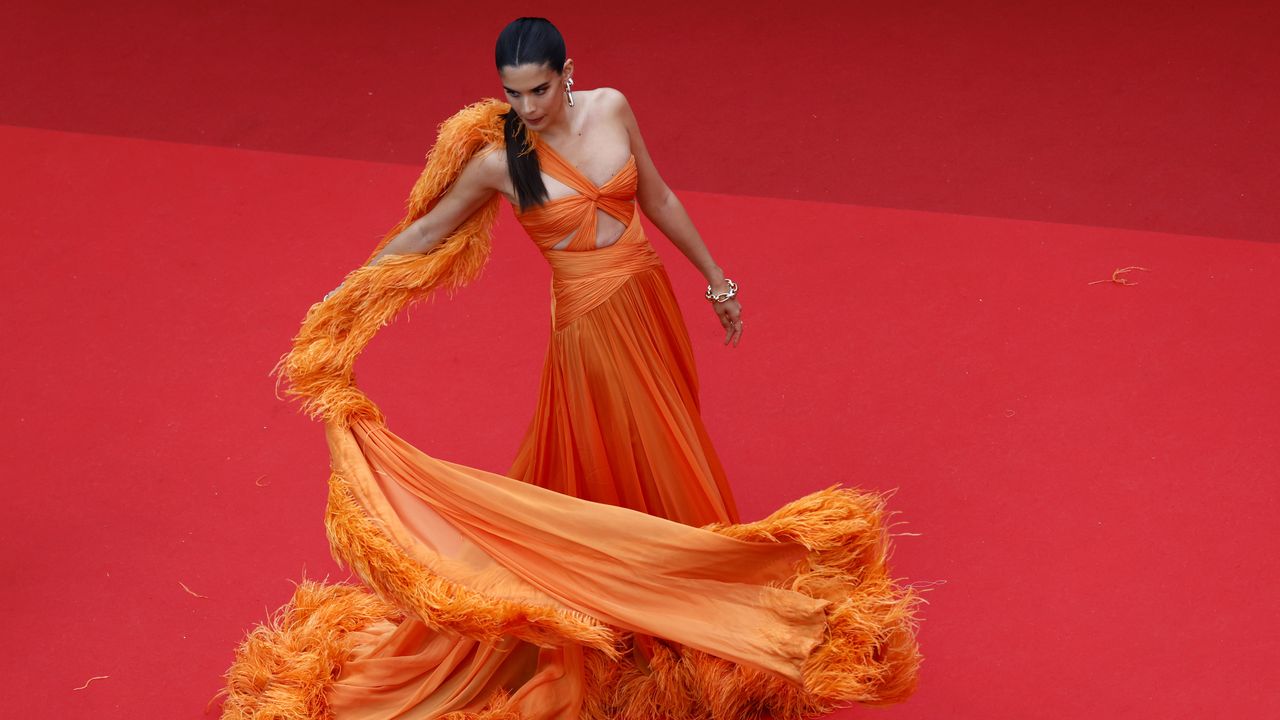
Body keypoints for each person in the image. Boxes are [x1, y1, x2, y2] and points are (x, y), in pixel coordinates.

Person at [214, 17, 921, 720]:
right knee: (640, 447)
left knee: (668, 438)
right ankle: (696, 608)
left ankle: (666, 590)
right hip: (589, 333)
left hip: (649, 304)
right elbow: (429, 231)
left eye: (540, 90)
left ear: (568, 72)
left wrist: (716, 280)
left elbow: (659, 196)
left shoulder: (612, 108)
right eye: (514, 94)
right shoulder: (501, 162)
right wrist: (345, 299)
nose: (528, 108)